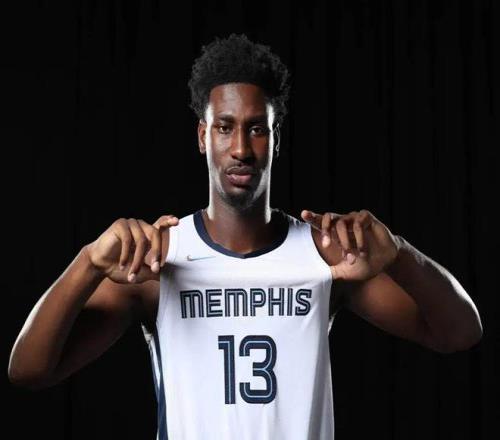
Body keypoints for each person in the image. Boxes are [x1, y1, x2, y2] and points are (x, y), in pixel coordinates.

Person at [8, 33, 483, 440]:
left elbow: (459, 333)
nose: (240, 148)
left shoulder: (324, 257)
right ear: (202, 137)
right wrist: (89, 262)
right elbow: (28, 370)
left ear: (277, 138)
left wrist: (398, 253)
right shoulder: (160, 261)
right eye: (225, 127)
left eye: (257, 129)